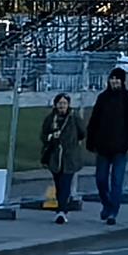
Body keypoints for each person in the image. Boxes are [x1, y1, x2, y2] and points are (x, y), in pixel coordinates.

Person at [85, 67, 128, 225]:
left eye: (117, 79)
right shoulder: (102, 98)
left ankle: (113, 212)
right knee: (101, 180)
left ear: (122, 81)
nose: (114, 81)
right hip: (103, 146)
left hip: (120, 147)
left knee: (117, 181)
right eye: (112, 78)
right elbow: (94, 121)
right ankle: (107, 203)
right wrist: (91, 142)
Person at [39, 93, 89, 223]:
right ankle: (61, 206)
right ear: (55, 104)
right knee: (58, 183)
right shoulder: (50, 119)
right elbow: (43, 135)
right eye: (60, 103)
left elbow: (82, 132)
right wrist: (51, 137)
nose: (62, 106)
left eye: (65, 103)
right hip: (55, 156)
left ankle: (61, 211)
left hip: (69, 156)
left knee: (66, 182)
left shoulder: (74, 118)